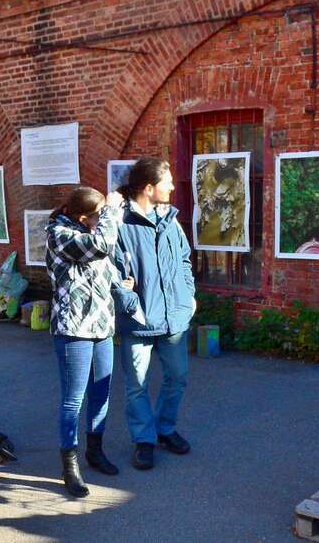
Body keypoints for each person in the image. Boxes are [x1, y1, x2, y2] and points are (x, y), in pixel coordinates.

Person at [46, 185, 132, 497]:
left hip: (101, 327)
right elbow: (102, 244)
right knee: (74, 399)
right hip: (73, 328)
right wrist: (109, 211)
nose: (103, 220)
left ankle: (95, 451)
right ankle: (70, 466)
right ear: (84, 219)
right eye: (98, 217)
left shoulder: (90, 233)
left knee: (101, 392)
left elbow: (106, 265)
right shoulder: (60, 235)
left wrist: (122, 284)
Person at [112, 157, 196, 470]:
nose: (173, 186)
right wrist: (130, 304)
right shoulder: (120, 223)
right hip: (139, 320)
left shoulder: (170, 220)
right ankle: (144, 439)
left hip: (174, 316)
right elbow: (113, 272)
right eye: (167, 182)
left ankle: (165, 429)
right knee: (137, 385)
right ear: (149, 188)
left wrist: (188, 297)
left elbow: (185, 260)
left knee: (178, 377)